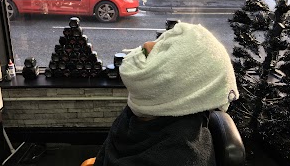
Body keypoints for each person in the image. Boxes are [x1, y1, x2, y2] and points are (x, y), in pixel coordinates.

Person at [94, 22, 239, 166]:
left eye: (167, 49)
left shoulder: (180, 157)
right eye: (163, 41)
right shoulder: (148, 108)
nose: (147, 45)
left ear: (178, 86)